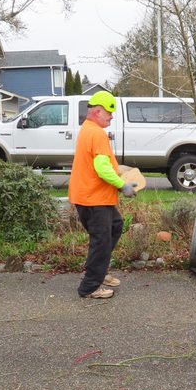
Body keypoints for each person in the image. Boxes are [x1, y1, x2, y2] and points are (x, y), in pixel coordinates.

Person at [68, 91, 138, 299]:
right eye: (109, 113)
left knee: (115, 227)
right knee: (101, 241)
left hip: (93, 197)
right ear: (97, 111)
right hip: (93, 198)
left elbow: (101, 162)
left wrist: (120, 169)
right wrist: (122, 185)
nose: (112, 117)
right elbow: (101, 169)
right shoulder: (96, 133)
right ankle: (90, 287)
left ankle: (99, 271)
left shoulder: (88, 129)